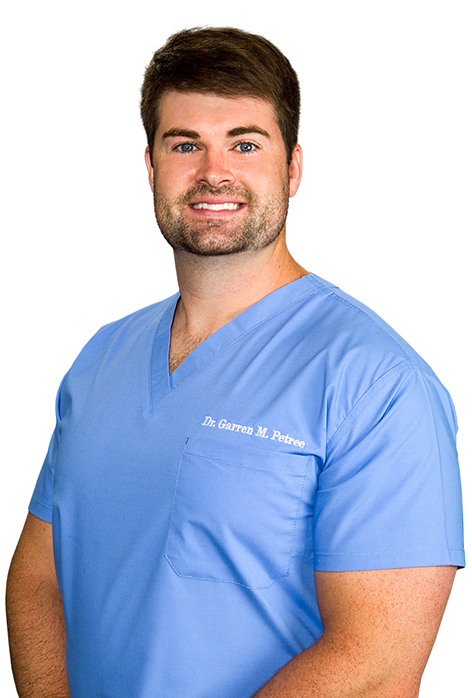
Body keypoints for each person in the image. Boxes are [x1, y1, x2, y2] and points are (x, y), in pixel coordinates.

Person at [6, 25, 465, 698]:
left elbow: (376, 665)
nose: (212, 173)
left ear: (293, 169)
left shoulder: (378, 384)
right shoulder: (102, 356)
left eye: (244, 144)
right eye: (184, 144)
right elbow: (39, 579)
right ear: (151, 168)